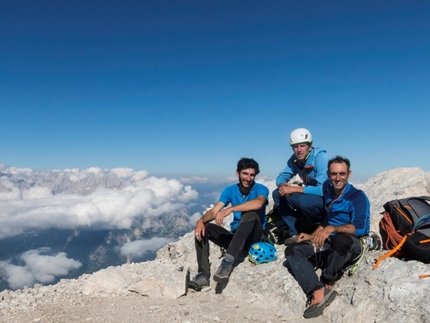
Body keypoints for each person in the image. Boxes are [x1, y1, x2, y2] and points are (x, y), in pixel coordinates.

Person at [284, 156, 370, 319]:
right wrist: (312, 235)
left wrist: (333, 229)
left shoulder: (357, 197)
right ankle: (318, 290)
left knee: (341, 239)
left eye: (342, 174)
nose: (338, 178)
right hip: (331, 243)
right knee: (293, 250)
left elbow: (361, 228)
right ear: (329, 175)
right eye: (334, 174)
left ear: (349, 174)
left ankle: (328, 279)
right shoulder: (328, 189)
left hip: (350, 244)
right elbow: (328, 220)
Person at [188, 158, 269, 291]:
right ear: (238, 173)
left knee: (250, 214)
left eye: (252, 175)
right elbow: (214, 211)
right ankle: (203, 275)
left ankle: (227, 262)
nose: (248, 178)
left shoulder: (261, 189)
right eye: (245, 174)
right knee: (205, 228)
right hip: (237, 237)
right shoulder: (230, 190)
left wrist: (230, 209)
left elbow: (259, 203)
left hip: (255, 238)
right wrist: (200, 221)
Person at [272, 128, 329, 244]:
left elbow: (323, 189)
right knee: (278, 193)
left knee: (305, 201)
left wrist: (293, 189)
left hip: (325, 199)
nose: (299, 150)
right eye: (295, 147)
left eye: (302, 146)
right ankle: (296, 232)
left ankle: (316, 226)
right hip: (310, 196)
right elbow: (281, 176)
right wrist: (283, 185)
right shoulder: (294, 159)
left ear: (309, 145)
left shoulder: (320, 158)